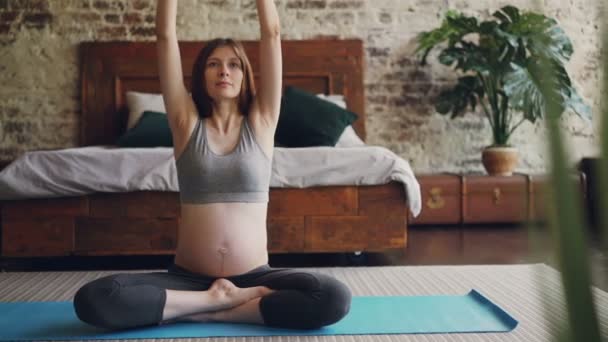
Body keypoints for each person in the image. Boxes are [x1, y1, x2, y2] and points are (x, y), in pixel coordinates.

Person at [72, 0, 351, 331]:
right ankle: (214, 301)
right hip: (186, 279)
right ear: (200, 75)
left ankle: (209, 309)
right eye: (214, 64)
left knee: (333, 297)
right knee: (95, 298)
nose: (224, 71)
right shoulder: (185, 123)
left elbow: (272, 35)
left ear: (245, 75)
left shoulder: (262, 122)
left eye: (234, 65)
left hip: (254, 277)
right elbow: (164, 36)